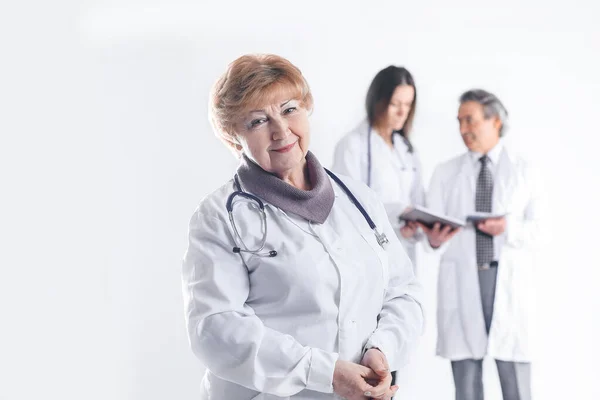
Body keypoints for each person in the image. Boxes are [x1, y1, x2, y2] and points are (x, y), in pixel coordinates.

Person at [181, 54, 424, 400]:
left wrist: (381, 350)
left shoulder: (359, 199)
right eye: (257, 121)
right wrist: (325, 373)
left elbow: (404, 292)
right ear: (233, 135)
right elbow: (216, 328)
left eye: (289, 109)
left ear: (307, 108)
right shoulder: (218, 218)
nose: (280, 130)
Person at [419, 89, 542, 400]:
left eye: (470, 120)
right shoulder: (446, 172)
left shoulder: (525, 168)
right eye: (459, 122)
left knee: (516, 383)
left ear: (495, 121)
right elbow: (429, 229)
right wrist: (431, 238)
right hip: (463, 279)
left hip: (506, 279)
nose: (463, 129)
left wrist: (507, 227)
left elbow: (542, 229)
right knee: (467, 384)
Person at [332, 66, 426, 271]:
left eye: (408, 105)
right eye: (395, 104)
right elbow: (347, 208)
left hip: (405, 254)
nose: (403, 112)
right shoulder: (352, 146)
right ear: (378, 101)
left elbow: (418, 199)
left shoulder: (407, 149)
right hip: (369, 256)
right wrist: (399, 214)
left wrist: (419, 227)